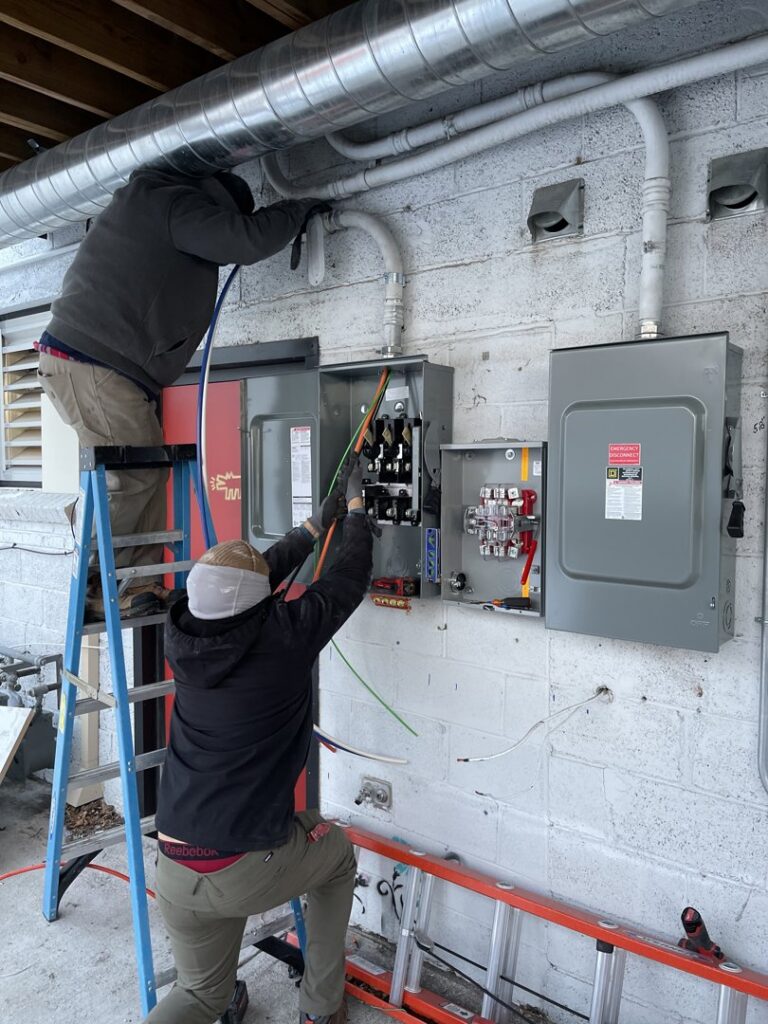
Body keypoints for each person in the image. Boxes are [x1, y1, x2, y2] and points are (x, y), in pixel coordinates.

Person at [36, 166, 326, 620]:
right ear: (219, 205)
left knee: (149, 473)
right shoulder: (174, 203)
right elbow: (245, 241)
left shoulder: (153, 205)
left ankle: (132, 584)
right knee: (134, 476)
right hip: (94, 363)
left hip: (105, 367)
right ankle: (85, 548)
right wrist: (298, 208)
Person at [144, 459, 373, 1024]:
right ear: (259, 601)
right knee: (337, 854)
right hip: (242, 865)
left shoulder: (183, 632)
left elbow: (242, 582)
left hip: (174, 864)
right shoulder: (284, 639)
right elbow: (348, 581)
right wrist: (361, 513)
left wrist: (313, 530)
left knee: (200, 995)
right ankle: (322, 1009)